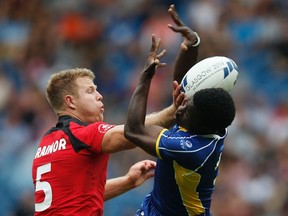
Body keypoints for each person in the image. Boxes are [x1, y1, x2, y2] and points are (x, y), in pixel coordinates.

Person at [31, 4, 200, 215]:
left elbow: (77, 195)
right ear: (70, 102)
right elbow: (134, 131)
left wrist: (128, 181)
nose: (99, 95)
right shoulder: (83, 134)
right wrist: (173, 110)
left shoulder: (45, 144)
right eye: (90, 91)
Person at [124, 10, 236, 216]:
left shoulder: (191, 150)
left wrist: (145, 77)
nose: (181, 108)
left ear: (199, 124)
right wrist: (191, 46)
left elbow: (133, 130)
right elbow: (183, 89)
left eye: (187, 111)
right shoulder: (210, 124)